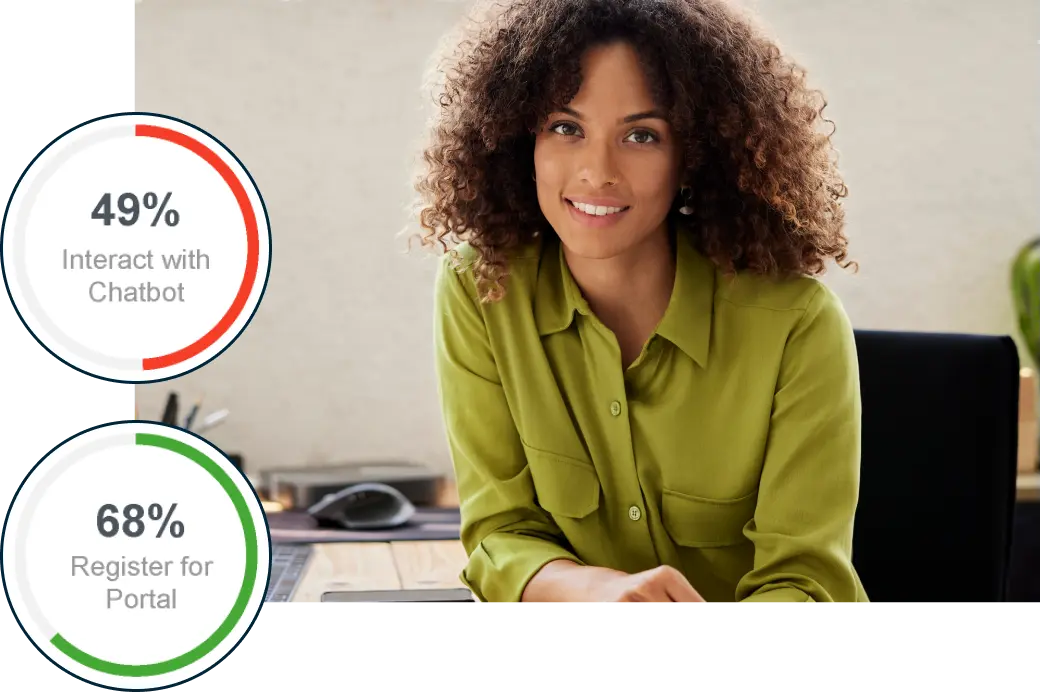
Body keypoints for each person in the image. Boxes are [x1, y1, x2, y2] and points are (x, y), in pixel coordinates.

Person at [414, 0, 869, 608]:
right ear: (520, 140)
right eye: (565, 128)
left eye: (641, 136)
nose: (597, 172)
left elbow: (807, 582)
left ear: (693, 158)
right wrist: (600, 592)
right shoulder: (482, 289)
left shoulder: (796, 323)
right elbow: (501, 534)